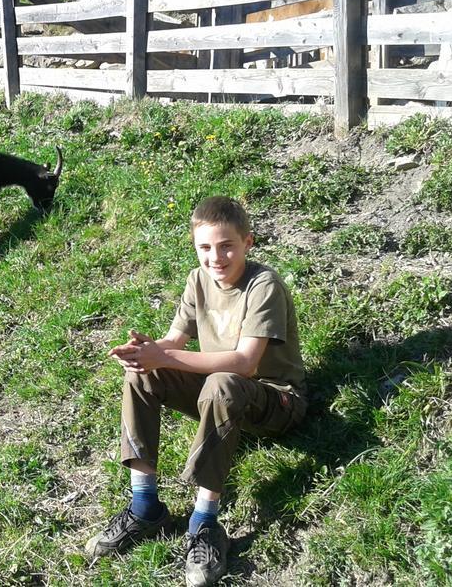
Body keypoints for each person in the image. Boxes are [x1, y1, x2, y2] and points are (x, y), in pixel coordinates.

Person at [85, 196, 307, 587]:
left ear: (248, 243)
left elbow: (245, 364)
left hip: (276, 402)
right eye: (205, 247)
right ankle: (145, 505)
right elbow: (175, 341)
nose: (215, 257)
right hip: (221, 396)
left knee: (222, 383)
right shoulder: (197, 280)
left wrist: (164, 358)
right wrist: (145, 353)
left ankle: (204, 523)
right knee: (141, 375)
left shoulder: (263, 285)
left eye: (226, 246)